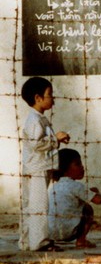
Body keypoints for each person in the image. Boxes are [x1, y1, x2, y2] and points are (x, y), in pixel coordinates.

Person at [20, 76, 70, 252]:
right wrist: (55, 138)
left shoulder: (39, 119)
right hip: (36, 169)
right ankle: (38, 242)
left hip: (39, 167)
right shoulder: (35, 120)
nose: (52, 99)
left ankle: (27, 241)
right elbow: (36, 144)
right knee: (39, 206)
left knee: (31, 205)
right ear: (37, 98)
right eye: (49, 94)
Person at [48, 148, 101, 248]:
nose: (82, 167)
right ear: (65, 169)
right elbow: (98, 200)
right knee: (87, 208)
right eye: (77, 164)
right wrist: (96, 191)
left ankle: (50, 242)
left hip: (50, 233)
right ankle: (81, 241)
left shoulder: (53, 187)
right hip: (70, 232)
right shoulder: (76, 186)